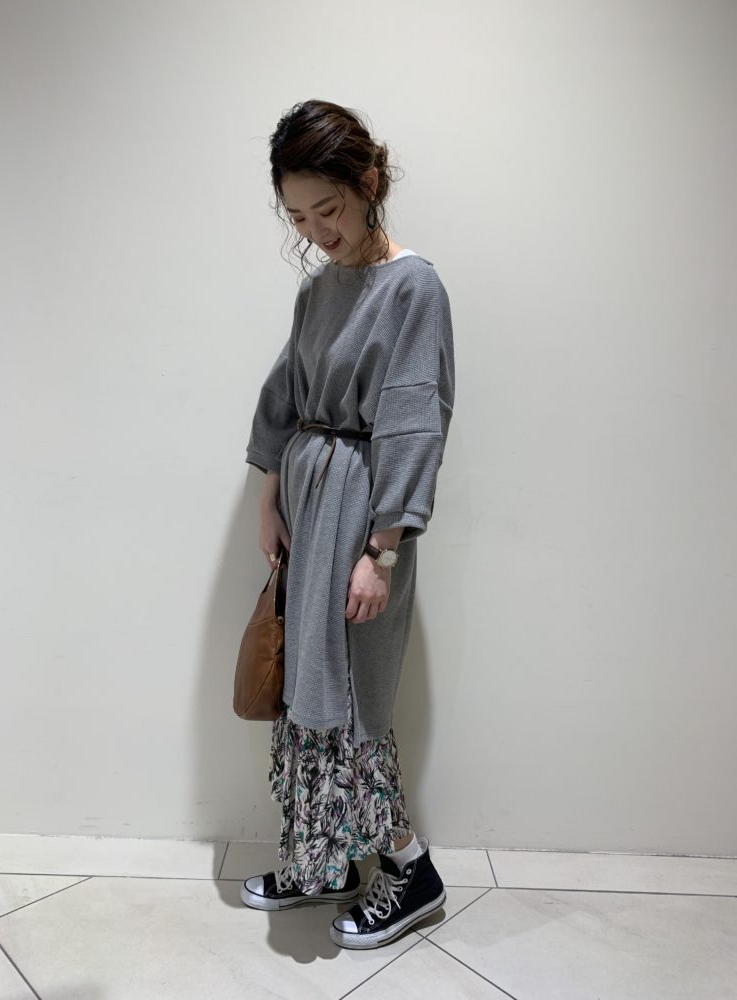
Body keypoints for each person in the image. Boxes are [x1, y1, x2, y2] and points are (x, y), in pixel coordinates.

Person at [239, 99, 456, 950]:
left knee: (355, 696)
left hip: (363, 517)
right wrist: (269, 494)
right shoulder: (317, 289)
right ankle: (324, 859)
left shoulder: (413, 286)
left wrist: (384, 552)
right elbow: (288, 391)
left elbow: (413, 418)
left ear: (368, 183)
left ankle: (410, 868)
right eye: (298, 217)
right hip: (308, 505)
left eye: (327, 209)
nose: (316, 232)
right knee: (307, 686)